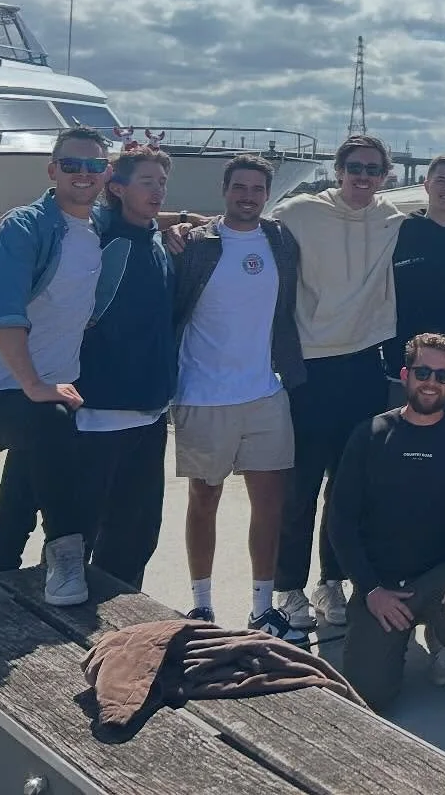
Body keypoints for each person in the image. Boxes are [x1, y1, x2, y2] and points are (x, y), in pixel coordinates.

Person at [0, 127, 110, 603]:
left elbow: (138, 213)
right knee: (51, 425)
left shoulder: (96, 225)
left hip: (45, 386)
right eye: (72, 164)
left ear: (106, 173)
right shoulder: (24, 227)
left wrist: (186, 220)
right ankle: (66, 555)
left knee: (26, 476)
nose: (83, 174)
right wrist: (33, 385)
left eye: (94, 165)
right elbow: (2, 314)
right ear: (52, 170)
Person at [271, 134, 403, 635]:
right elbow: (242, 226)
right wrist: (182, 224)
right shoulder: (299, 211)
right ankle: (288, 586)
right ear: (338, 169)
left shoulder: (391, 217)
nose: (362, 177)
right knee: (300, 486)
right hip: (311, 368)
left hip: (365, 364)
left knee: (346, 487)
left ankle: (332, 580)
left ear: (385, 175)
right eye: (355, 167)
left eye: (372, 169)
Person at [172, 153, 304, 638]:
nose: (248, 196)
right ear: (225, 190)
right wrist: (178, 221)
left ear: (267, 195)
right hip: (203, 395)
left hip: (265, 392)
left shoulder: (280, 240)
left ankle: (262, 609)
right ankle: (202, 606)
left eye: (257, 189)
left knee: (270, 506)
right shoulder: (197, 242)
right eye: (239, 187)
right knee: (203, 499)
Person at [327, 332, 445, 712]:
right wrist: (370, 589)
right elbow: (340, 523)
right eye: (422, 372)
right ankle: (391, 638)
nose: (431, 383)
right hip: (380, 584)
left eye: (442, 376)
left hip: (437, 578)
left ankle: (439, 635)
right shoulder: (369, 435)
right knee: (370, 696)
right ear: (405, 375)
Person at [72, 145, 178, 590]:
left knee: (138, 533)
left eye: (162, 182)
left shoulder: (157, 242)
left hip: (149, 413)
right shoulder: (96, 239)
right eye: (147, 181)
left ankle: (123, 611)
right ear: (116, 188)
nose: (157, 190)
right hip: (98, 413)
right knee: (79, 530)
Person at [388, 153, 445, 425]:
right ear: (426, 184)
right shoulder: (398, 231)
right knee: (400, 440)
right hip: (404, 363)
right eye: (441, 180)